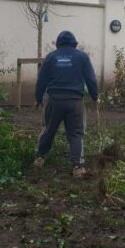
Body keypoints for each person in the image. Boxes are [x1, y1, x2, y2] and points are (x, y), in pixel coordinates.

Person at [34, 31, 98, 178]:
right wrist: (95, 96)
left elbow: (41, 80)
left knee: (48, 129)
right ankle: (77, 167)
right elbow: (91, 80)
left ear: (58, 43)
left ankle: (39, 158)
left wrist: (38, 99)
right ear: (74, 43)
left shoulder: (51, 57)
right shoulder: (82, 57)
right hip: (75, 102)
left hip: (54, 100)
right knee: (76, 133)